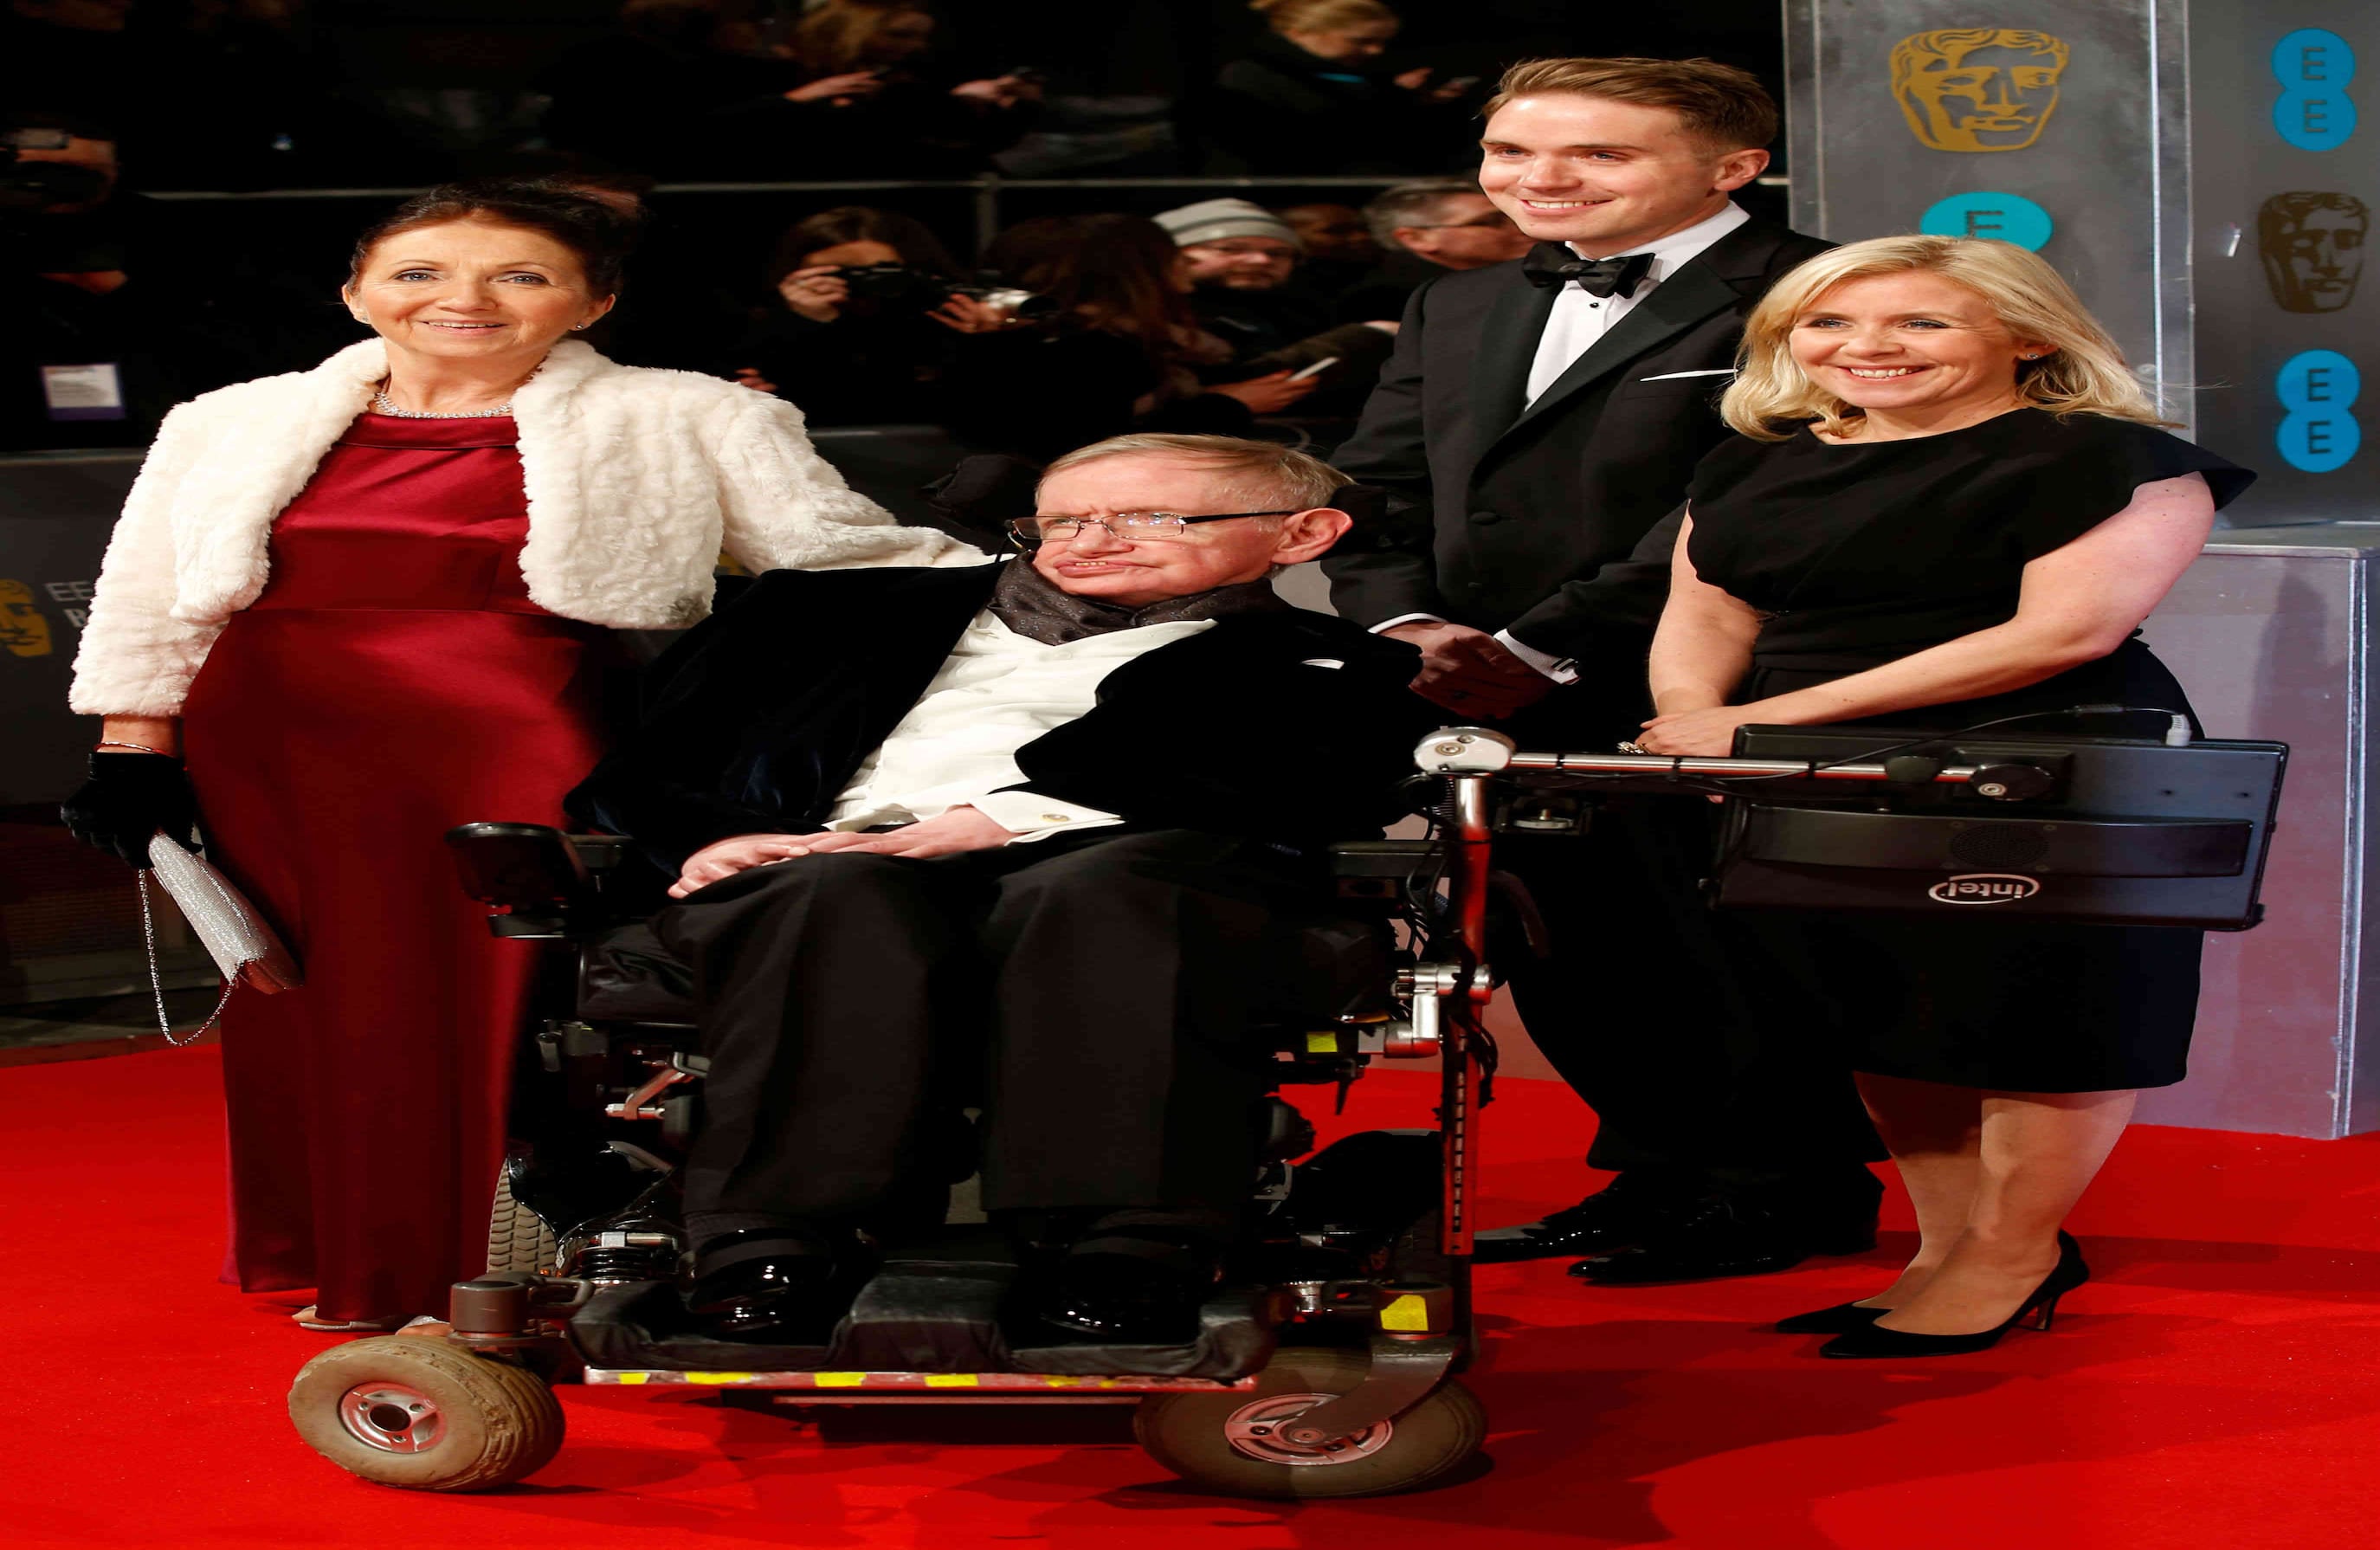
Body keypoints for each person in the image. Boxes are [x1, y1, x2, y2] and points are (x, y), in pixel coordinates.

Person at [59, 178, 984, 1333]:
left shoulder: (690, 415)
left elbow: (847, 557)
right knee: (316, 997)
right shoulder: (226, 420)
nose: (464, 299)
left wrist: (1077, 561)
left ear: (594, 301)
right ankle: (351, 1253)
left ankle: (486, 1266)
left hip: (512, 733)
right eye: (420, 272)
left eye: (519, 274)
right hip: (272, 747)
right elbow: (150, 591)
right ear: (356, 292)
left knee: (494, 996)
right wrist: (134, 743)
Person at [566, 433, 1440, 1342]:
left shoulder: (1329, 668)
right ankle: (767, 1239)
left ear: (1302, 533)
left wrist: (1008, 816)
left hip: (1118, 871)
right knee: (836, 893)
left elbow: (1291, 779)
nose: (1090, 539)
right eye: (1062, 519)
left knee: (1103, 890)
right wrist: (724, 837)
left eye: (1145, 515)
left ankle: (1122, 1240)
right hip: (815, 861)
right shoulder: (817, 615)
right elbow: (646, 768)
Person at [1639, 235, 2253, 1356]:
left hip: (2045, 759)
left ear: (2025, 334)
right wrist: (1702, 725)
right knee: (1881, 1008)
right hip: (1802, 768)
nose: (1867, 347)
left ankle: (2013, 1254)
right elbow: (1706, 618)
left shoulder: (2115, 459)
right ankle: (1941, 1250)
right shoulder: (1749, 460)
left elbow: (2063, 633)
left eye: (1920, 322)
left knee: (2043, 1020)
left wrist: (1766, 725)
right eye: (1828, 322)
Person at [1324, 56, 1885, 1282]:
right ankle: (1660, 1169)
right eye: (1511, 152)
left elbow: (1744, 500)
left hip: (1707, 673)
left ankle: (1781, 1185)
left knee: (1720, 939)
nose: (1540, 180)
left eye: (1597, 154)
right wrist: (1408, 627)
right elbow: (1373, 490)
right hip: (1470, 682)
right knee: (1555, 934)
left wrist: (1537, 645)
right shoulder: (1457, 303)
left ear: (1733, 169)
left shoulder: (1835, 291)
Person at [937, 214, 1323, 458]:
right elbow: (1087, 442)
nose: (1184, 266)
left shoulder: (1098, 339)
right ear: (1137, 271)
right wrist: (1227, 405)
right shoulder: (1084, 349)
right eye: (1173, 256)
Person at [729, 205, 972, 426]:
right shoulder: (764, 330)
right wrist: (804, 324)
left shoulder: (951, 320)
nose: (858, 284)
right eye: (838, 274)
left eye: (876, 272)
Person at [1153, 197, 1396, 414]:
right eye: (1232, 249)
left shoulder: (1302, 307)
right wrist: (1367, 337)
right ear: (1174, 256)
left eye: (1278, 253)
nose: (1261, 260)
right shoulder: (1154, 314)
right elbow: (1231, 384)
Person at [1201, 0, 1469, 175]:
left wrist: (1417, 103)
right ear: (1299, 32)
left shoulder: (1362, 77)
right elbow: (1312, 138)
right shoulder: (1250, 77)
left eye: (1381, 42)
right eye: (1360, 41)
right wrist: (1393, 99)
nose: (1375, 51)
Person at [1331, 178, 1534, 323]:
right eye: (1493, 221)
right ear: (1417, 239)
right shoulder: (1385, 297)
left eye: (1511, 215)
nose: (1521, 226)